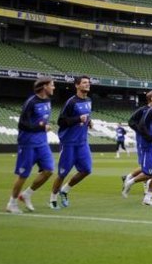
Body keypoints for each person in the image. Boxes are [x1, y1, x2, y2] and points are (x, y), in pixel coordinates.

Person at [6, 76, 55, 214]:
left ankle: (27, 194)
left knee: (49, 170)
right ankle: (12, 203)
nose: (54, 87)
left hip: (42, 142)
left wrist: (43, 126)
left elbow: (41, 121)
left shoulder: (48, 101)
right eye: (52, 85)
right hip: (27, 143)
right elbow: (22, 124)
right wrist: (40, 127)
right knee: (23, 175)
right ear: (44, 86)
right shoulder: (31, 102)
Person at [49, 76, 93, 209]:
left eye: (88, 83)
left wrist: (89, 121)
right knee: (62, 173)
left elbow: (87, 115)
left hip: (82, 142)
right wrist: (78, 119)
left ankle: (65, 190)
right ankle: (52, 199)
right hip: (69, 143)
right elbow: (61, 121)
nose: (87, 84)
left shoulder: (89, 100)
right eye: (84, 83)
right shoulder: (71, 102)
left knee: (86, 170)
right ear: (77, 85)